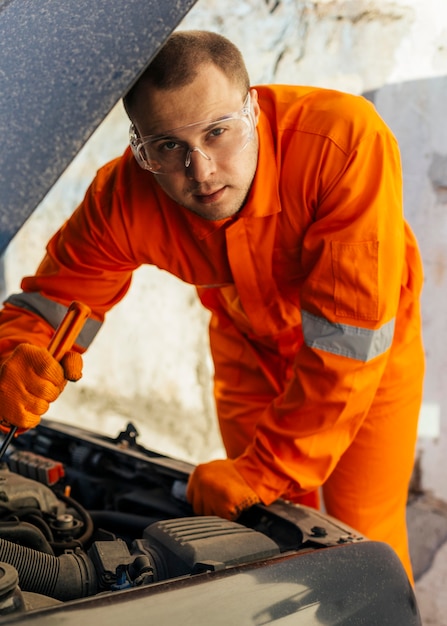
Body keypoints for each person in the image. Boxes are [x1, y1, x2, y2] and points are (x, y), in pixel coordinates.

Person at [0, 30, 424, 582]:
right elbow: (53, 301)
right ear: (139, 144)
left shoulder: (342, 142)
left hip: (366, 356)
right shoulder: (124, 197)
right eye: (168, 146)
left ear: (252, 108)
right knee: (264, 534)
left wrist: (267, 467)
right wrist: (13, 354)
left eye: (217, 132)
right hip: (246, 344)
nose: (201, 171)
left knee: (362, 537)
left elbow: (346, 341)